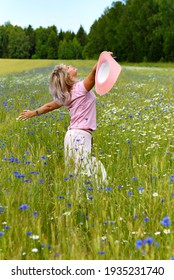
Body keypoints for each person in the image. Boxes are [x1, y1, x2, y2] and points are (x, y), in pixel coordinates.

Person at [18, 57, 108, 185]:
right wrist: (103, 58)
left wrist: (33, 113)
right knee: (86, 175)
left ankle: (84, 199)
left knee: (81, 174)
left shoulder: (66, 95)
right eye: (67, 67)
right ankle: (88, 200)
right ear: (68, 77)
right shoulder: (80, 88)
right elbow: (94, 74)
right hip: (79, 137)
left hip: (72, 136)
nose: (70, 66)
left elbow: (49, 106)